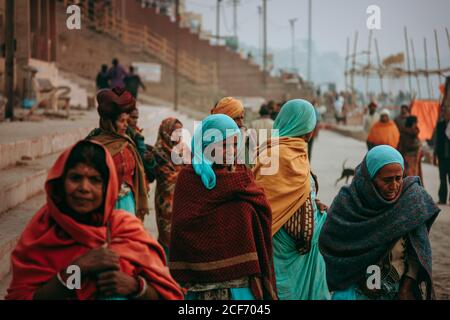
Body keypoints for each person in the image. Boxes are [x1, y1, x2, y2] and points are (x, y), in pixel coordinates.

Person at [6, 140, 184, 300]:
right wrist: (78, 269)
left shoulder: (126, 229)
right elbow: (23, 296)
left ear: (108, 186)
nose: (84, 188)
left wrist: (135, 287)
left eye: (95, 180)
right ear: (60, 182)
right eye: (76, 178)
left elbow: (168, 295)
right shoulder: (43, 231)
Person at [169, 114, 277, 300]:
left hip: (241, 284)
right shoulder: (189, 179)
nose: (231, 151)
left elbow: (261, 210)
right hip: (202, 286)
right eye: (224, 145)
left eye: (235, 145)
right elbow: (182, 227)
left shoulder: (242, 174)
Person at [319, 145, 440, 300]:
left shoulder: (410, 201)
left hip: (398, 290)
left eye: (399, 178)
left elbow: (418, 251)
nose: (394, 186)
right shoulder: (348, 203)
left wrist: (407, 287)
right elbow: (330, 244)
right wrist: (362, 278)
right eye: (387, 180)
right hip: (353, 288)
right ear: (369, 180)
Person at [253, 99, 331, 300]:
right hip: (281, 243)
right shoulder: (276, 153)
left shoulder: (290, 151)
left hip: (302, 250)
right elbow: (265, 202)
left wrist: (312, 202)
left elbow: (295, 192)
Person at [87, 88, 149, 220]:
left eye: (127, 121)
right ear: (110, 122)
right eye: (122, 121)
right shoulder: (94, 147)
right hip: (105, 206)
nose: (126, 125)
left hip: (128, 203)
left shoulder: (127, 142)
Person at [146, 118, 188, 258]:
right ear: (166, 132)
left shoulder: (184, 151)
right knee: (167, 240)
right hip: (166, 205)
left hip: (184, 204)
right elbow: (161, 177)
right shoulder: (158, 153)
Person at [211, 97, 256, 167]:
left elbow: (251, 166)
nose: (241, 123)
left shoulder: (247, 138)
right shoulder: (208, 139)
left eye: (242, 118)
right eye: (236, 119)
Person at [398, 116, 423, 182]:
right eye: (415, 122)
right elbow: (402, 147)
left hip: (415, 159)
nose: (416, 124)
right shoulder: (405, 134)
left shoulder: (415, 133)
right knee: (409, 178)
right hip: (407, 159)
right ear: (412, 123)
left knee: (414, 177)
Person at [434, 113, 450, 205]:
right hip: (442, 156)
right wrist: (435, 153)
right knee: (442, 178)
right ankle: (442, 199)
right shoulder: (440, 125)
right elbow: (437, 140)